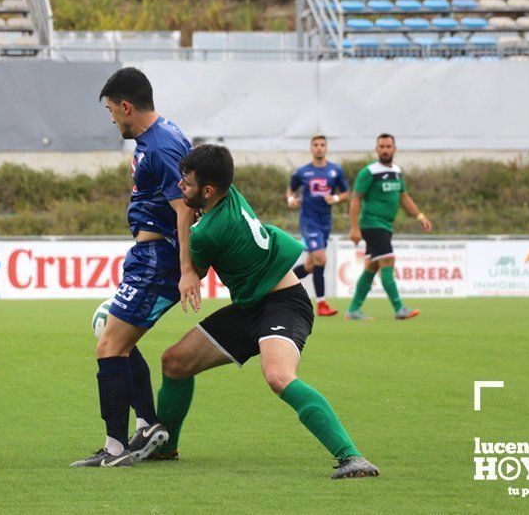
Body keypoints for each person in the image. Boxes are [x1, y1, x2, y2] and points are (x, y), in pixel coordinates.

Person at [136, 143, 379, 479]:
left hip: (284, 304)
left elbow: (189, 264)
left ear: (208, 190)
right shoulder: (228, 192)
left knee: (278, 376)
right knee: (175, 361)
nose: (180, 187)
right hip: (250, 307)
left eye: (186, 183)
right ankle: (166, 448)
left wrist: (182, 230)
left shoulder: (208, 232)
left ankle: (352, 457)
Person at [71, 67, 201, 468]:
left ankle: (115, 448)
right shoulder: (161, 136)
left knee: (109, 346)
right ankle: (146, 425)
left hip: (156, 258)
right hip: (148, 257)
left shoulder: (160, 147)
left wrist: (186, 270)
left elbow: (184, 211)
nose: (112, 118)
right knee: (115, 337)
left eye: (112, 111)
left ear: (126, 106)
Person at [345, 133, 433, 321]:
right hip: (372, 224)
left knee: (372, 266)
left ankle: (353, 310)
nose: (385, 150)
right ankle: (399, 308)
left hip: (385, 226)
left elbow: (403, 197)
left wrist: (419, 215)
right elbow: (355, 199)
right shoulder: (369, 172)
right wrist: (354, 228)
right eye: (381, 147)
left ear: (394, 149)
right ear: (376, 150)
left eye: (388, 146)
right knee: (388, 261)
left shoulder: (396, 171)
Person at [286, 135, 349, 316]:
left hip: (325, 222)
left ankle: (279, 285)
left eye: (322, 145)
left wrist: (335, 198)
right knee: (321, 259)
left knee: (310, 266)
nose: (319, 148)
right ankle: (321, 304)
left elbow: (345, 193)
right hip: (308, 221)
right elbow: (290, 190)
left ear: (326, 148)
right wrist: (291, 199)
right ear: (311, 148)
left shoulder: (335, 171)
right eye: (316, 145)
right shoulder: (302, 172)